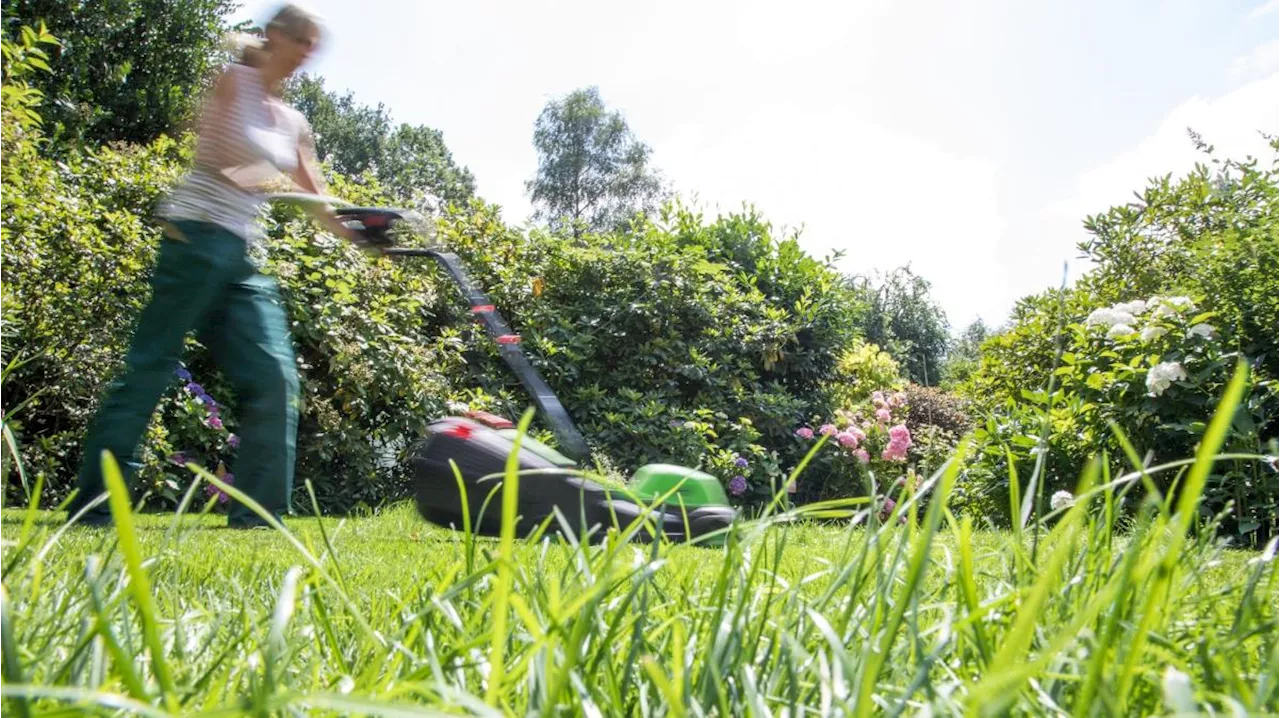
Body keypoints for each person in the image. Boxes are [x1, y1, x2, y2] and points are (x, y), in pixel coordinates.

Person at [66, 3, 376, 528]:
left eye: (312, 46)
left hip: (241, 255)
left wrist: (362, 234)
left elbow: (317, 197)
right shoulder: (233, 81)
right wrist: (266, 180)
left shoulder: (295, 121)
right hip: (194, 237)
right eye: (299, 39)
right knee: (151, 365)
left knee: (276, 377)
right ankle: (97, 503)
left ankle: (259, 515)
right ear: (274, 35)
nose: (305, 53)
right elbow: (215, 153)